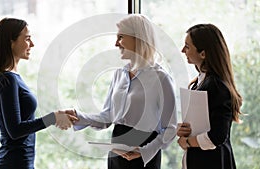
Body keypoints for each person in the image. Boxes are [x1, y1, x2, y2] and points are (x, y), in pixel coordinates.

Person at [64, 14, 177, 169]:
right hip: (117, 148)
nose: (116, 43)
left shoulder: (161, 78)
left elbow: (171, 128)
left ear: (137, 38)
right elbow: (107, 117)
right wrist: (79, 116)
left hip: (143, 152)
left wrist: (144, 151)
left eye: (121, 37)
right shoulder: (119, 74)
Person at [0, 18, 77, 169]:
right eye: (27, 38)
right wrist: (53, 117)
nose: (32, 44)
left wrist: (58, 115)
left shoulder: (12, 78)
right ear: (11, 42)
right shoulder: (8, 80)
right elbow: (15, 130)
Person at [177, 24, 243, 169]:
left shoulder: (216, 86)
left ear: (203, 54)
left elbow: (217, 136)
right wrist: (185, 130)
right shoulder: (199, 83)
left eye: (187, 47)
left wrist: (187, 141)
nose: (183, 50)